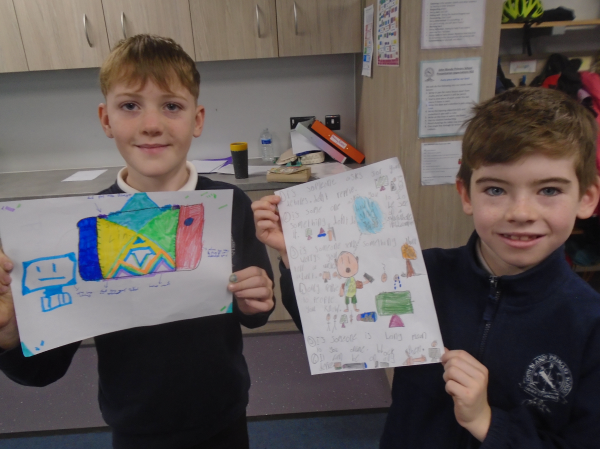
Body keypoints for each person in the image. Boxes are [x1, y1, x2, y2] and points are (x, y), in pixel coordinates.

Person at [252, 87, 600, 447]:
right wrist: (299, 258)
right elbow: (337, 329)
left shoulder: (588, 324)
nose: (521, 213)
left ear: (587, 197)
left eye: (549, 190)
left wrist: (487, 422)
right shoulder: (422, 275)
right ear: (466, 194)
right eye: (496, 190)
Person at [0, 35, 275, 449]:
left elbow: (254, 313)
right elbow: (42, 371)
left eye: (171, 106)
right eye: (130, 105)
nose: (151, 124)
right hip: (136, 427)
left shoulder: (230, 204)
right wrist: (9, 333)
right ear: (106, 119)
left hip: (224, 415)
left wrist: (257, 300)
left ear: (197, 119)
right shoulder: (83, 227)